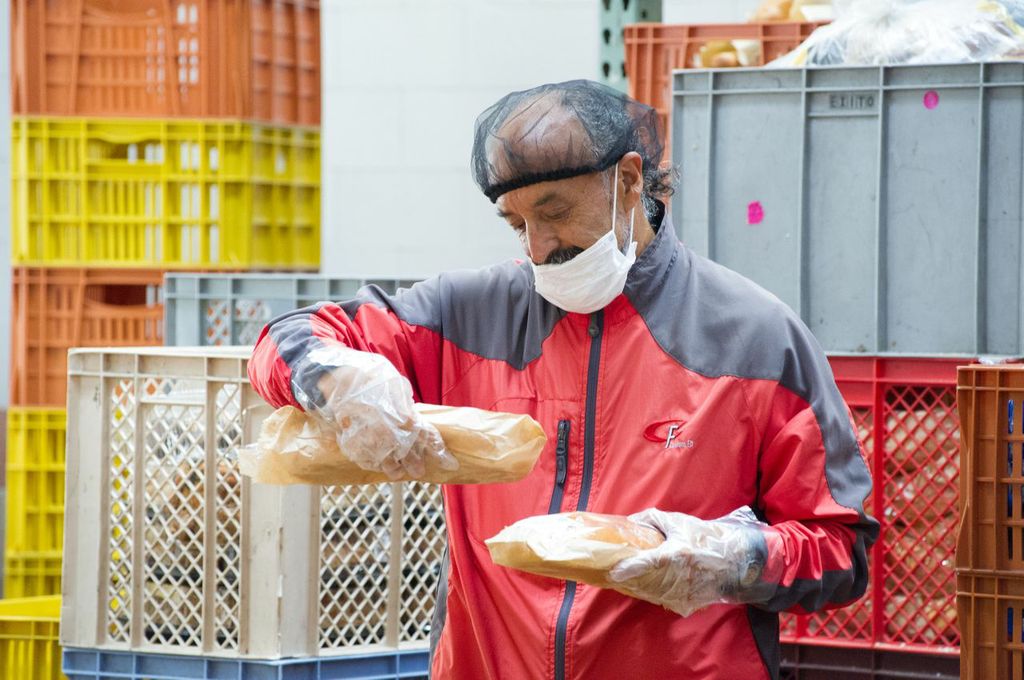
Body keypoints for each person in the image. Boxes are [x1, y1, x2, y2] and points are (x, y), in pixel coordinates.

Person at [248, 80, 878, 680]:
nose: (539, 246)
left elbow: (841, 551)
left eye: (555, 212)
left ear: (628, 180)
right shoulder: (470, 315)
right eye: (516, 223)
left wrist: (731, 559)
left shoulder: (755, 338)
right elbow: (287, 336)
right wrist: (332, 378)